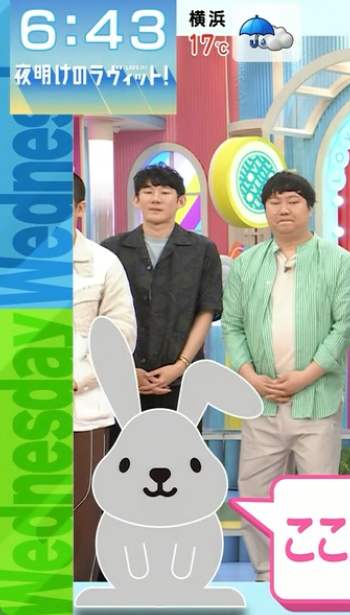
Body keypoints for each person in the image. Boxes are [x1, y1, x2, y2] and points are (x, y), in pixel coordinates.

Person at [223, 171, 350, 581]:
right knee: (255, 491)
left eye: (293, 201)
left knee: (317, 495)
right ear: (265, 209)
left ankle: (313, 573)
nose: (283, 209)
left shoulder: (339, 262)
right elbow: (232, 325)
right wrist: (250, 375)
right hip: (261, 399)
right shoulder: (247, 264)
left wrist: (306, 376)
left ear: (310, 207)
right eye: (275, 202)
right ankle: (267, 572)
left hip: (315, 399)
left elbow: (345, 327)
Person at [101, 164, 222, 412]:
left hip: (184, 379)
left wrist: (181, 365)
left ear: (180, 201)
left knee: (182, 437)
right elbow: (103, 316)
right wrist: (126, 368)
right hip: (123, 378)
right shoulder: (112, 249)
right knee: (126, 438)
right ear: (136, 200)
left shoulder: (203, 250)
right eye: (148, 192)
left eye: (165, 192)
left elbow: (206, 311)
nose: (156, 199)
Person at [73, 173, 137, 581]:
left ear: (79, 210)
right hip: (20, 407)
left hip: (84, 410)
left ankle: (80, 597)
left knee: (83, 512)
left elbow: (121, 333)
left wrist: (78, 377)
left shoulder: (103, 263)